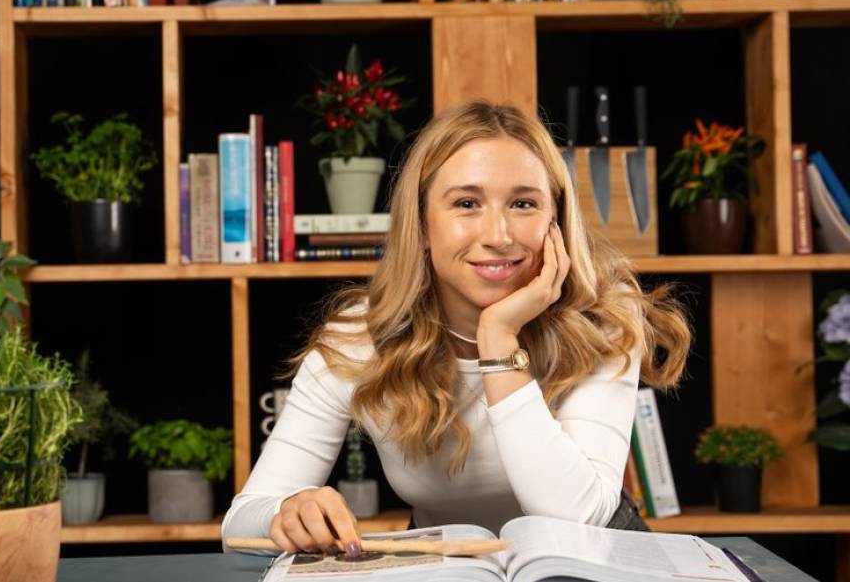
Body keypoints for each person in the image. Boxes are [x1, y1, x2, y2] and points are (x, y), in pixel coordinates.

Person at [221, 100, 691, 557]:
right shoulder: (360, 337)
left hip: (591, 561)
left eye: (523, 203)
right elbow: (238, 527)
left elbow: (578, 519)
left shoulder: (601, 320)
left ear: (556, 220)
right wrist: (285, 512)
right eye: (467, 203)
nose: (499, 235)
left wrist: (499, 340)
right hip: (449, 563)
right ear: (422, 226)